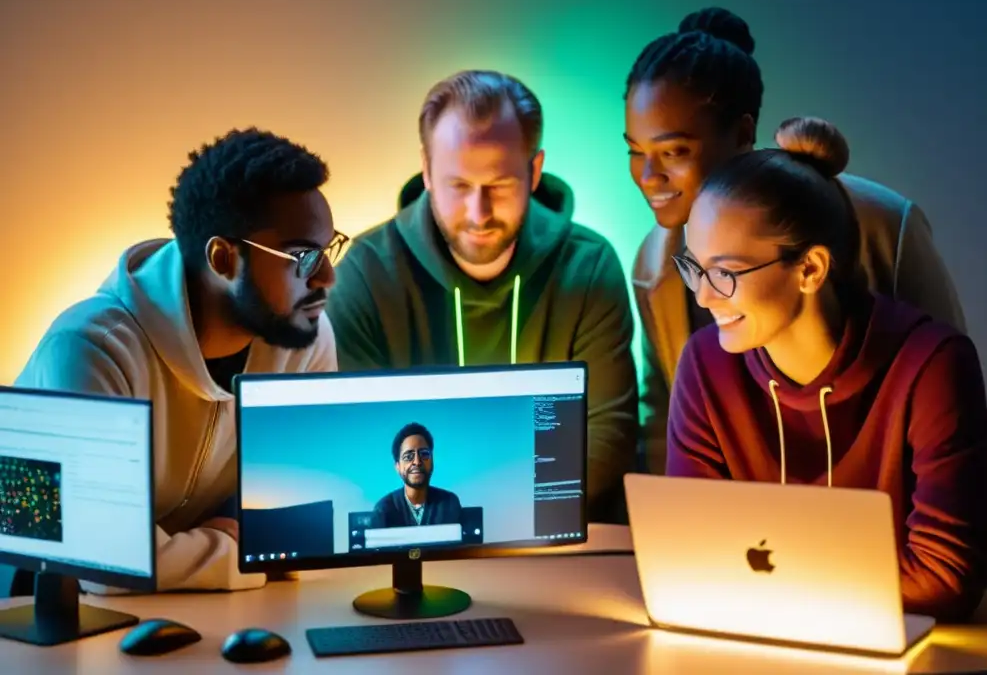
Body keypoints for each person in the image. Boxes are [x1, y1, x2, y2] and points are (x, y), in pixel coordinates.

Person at [666, 133, 987, 622]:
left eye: (725, 274)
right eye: (694, 268)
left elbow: (942, 579)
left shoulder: (933, 366)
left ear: (811, 269)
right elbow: (686, 554)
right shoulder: (705, 364)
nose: (703, 298)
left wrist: (755, 584)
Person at [626, 7, 966, 474]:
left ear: (743, 134)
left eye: (674, 151)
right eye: (635, 151)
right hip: (759, 538)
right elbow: (662, 424)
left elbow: (953, 402)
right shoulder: (655, 267)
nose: (649, 176)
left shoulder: (883, 224)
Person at [16, 128, 344, 592]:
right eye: (303, 256)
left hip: (193, 606)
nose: (327, 277)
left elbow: (312, 515)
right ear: (223, 259)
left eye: (329, 249)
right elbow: (104, 561)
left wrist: (227, 548)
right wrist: (242, 552)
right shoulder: (92, 349)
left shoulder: (304, 338)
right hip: (37, 609)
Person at [326, 70, 638, 521]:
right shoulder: (365, 272)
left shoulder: (588, 267)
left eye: (499, 185)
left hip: (554, 540)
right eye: (459, 186)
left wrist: (496, 519)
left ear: (534, 170)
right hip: (412, 542)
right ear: (427, 170)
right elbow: (355, 435)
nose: (479, 212)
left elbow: (607, 432)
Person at [372, 423, 462, 528]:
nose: (417, 462)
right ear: (397, 466)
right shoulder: (384, 510)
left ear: (432, 460)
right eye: (408, 456)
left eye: (424, 454)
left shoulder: (449, 504)